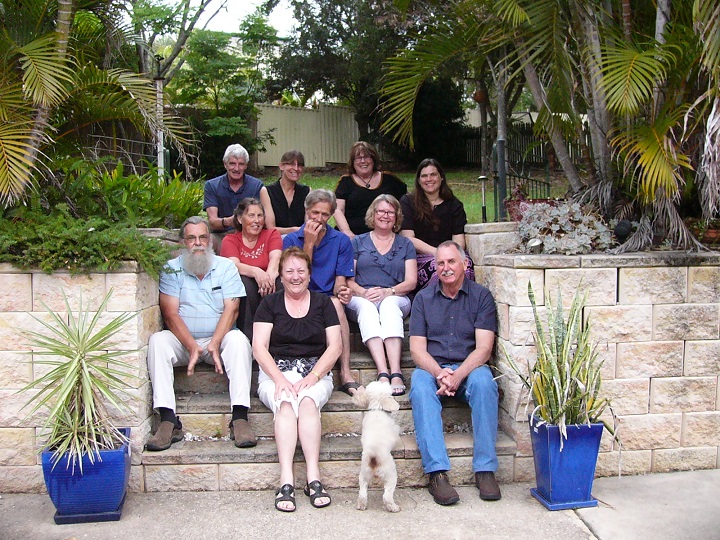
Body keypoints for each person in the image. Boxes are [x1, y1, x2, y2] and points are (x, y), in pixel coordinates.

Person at [145, 216, 256, 451]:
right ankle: (168, 420)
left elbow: (232, 308)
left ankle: (240, 417)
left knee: (238, 341)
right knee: (158, 341)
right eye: (192, 238)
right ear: (183, 242)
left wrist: (215, 343)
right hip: (184, 342)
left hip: (220, 338)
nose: (198, 243)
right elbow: (170, 313)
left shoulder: (225, 267)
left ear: (211, 241)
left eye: (203, 237)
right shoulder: (171, 269)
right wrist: (192, 346)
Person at [408, 240, 500, 505]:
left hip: (468, 367)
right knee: (420, 384)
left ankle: (485, 470)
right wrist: (439, 373)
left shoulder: (481, 296)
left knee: (484, 382)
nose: (445, 268)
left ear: (464, 264)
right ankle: (437, 473)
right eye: (440, 263)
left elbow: (484, 349)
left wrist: (458, 375)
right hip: (432, 368)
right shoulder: (423, 299)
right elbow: (417, 350)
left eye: (451, 261)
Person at [253, 247, 341, 512]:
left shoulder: (324, 304)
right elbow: (259, 347)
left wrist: (314, 376)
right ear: (280, 275)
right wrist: (279, 380)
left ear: (309, 275)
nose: (295, 276)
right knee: (286, 404)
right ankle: (286, 480)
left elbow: (335, 347)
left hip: (315, 373)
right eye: (289, 271)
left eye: (301, 271)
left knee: (307, 404)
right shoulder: (269, 305)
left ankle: (313, 478)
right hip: (275, 373)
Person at [283, 189, 361, 396]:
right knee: (330, 302)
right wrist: (308, 242)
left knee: (336, 303)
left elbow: (339, 282)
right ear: (306, 210)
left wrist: (343, 291)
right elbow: (298, 279)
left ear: (332, 214)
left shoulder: (341, 241)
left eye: (325, 214)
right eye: (314, 213)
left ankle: (345, 372)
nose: (319, 219)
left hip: (326, 298)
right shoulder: (291, 240)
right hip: (297, 295)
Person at [346, 194, 416, 396]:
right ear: (373, 214)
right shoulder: (357, 242)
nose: (385, 216)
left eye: (390, 212)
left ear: (396, 217)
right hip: (362, 295)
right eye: (381, 211)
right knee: (367, 307)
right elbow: (348, 279)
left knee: (389, 305)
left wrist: (388, 291)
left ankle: (396, 372)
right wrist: (363, 292)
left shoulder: (406, 244)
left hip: (396, 295)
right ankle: (382, 371)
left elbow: (411, 281)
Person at [400, 158, 474, 293]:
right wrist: (438, 254)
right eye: (424, 176)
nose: (429, 179)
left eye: (433, 174)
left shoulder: (454, 205)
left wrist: (449, 256)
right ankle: (436, 308)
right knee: (438, 268)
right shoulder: (408, 202)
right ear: (418, 180)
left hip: (449, 254)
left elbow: (459, 241)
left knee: (465, 266)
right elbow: (408, 238)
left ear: (441, 178)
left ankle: (462, 307)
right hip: (420, 258)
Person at [220, 197, 282, 342]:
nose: (256, 220)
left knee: (279, 285)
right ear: (240, 219)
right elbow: (233, 265)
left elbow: (276, 259)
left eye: (260, 216)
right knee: (244, 284)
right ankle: (248, 340)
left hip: (268, 281)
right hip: (247, 284)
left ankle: (277, 339)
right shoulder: (230, 240)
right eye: (251, 215)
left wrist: (269, 278)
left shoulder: (272, 234)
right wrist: (256, 272)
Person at [204, 144, 276, 249]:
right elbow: (213, 222)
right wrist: (230, 221)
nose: (237, 168)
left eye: (241, 164)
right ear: (225, 164)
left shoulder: (257, 186)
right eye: (232, 164)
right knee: (208, 241)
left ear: (246, 166)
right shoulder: (212, 186)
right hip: (222, 235)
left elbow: (269, 223)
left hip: (252, 235)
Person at [334, 141, 407, 238]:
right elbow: (338, 210)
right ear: (353, 162)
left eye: (367, 157)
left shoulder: (389, 179)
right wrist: (348, 234)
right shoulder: (345, 182)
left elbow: (408, 202)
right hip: (354, 237)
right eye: (358, 158)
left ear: (373, 159)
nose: (363, 161)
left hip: (386, 237)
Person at [266, 150, 310, 235]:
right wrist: (293, 230)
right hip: (276, 239)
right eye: (291, 164)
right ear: (281, 166)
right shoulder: (267, 191)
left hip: (300, 239)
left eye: (300, 165)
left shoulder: (307, 191)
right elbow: (270, 228)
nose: (296, 168)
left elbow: (308, 225)